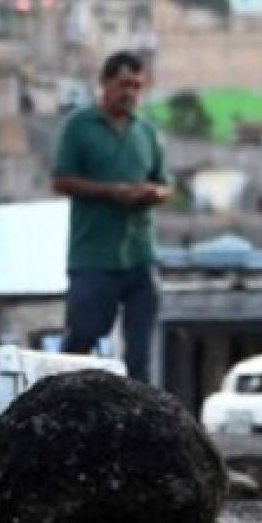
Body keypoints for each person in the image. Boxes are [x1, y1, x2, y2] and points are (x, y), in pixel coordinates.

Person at [52, 50, 172, 382]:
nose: (130, 93)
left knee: (139, 354)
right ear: (104, 83)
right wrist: (111, 192)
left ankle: (138, 423)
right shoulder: (79, 126)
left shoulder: (145, 132)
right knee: (81, 339)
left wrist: (151, 193)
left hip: (139, 255)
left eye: (136, 86)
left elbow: (165, 183)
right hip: (94, 256)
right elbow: (61, 179)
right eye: (123, 85)